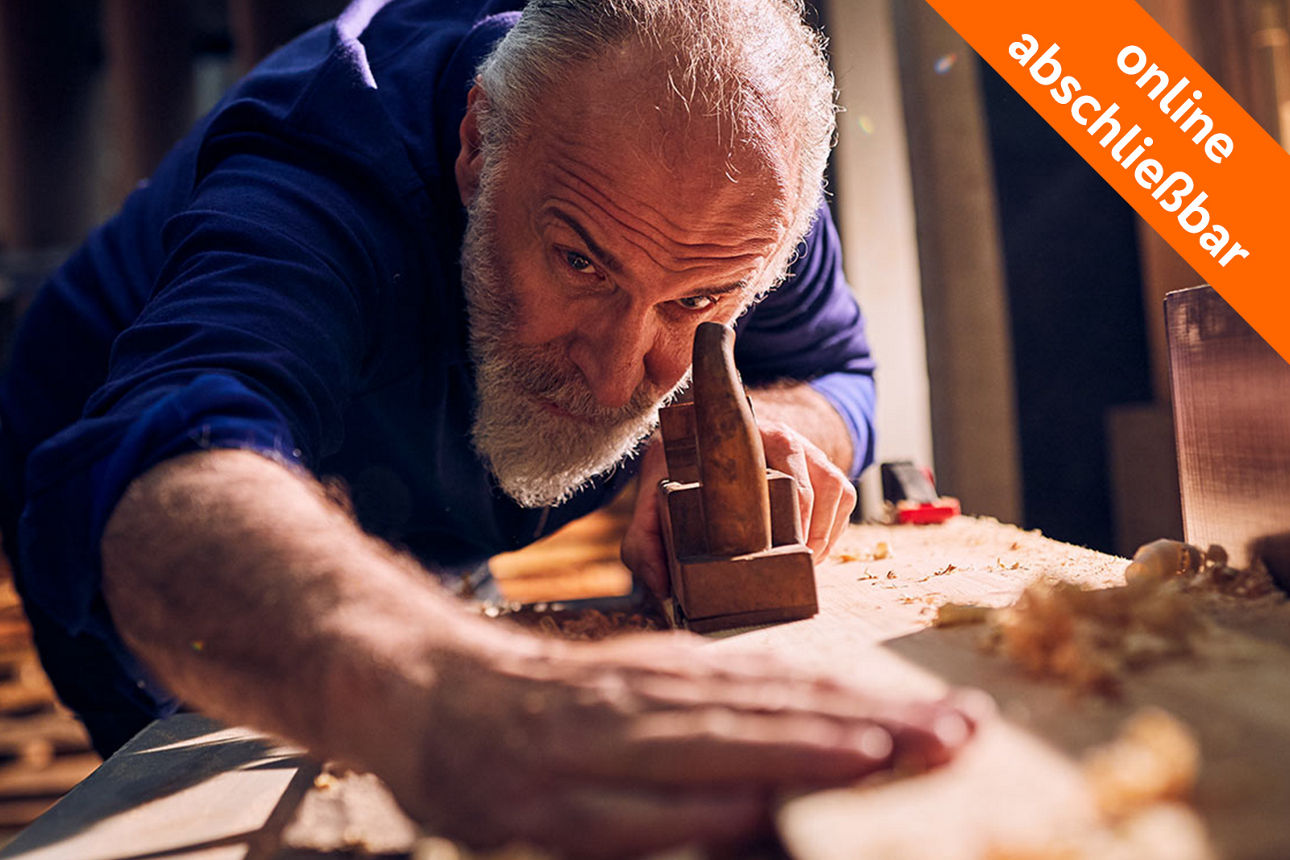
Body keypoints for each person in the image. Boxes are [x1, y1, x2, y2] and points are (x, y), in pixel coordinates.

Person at [0, 0, 979, 854]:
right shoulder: (329, 160)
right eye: (581, 262)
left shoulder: (745, 195)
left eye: (695, 302)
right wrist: (444, 685)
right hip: (157, 504)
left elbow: (835, 368)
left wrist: (773, 427)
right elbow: (156, 472)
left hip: (413, 498)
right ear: (477, 146)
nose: (615, 376)